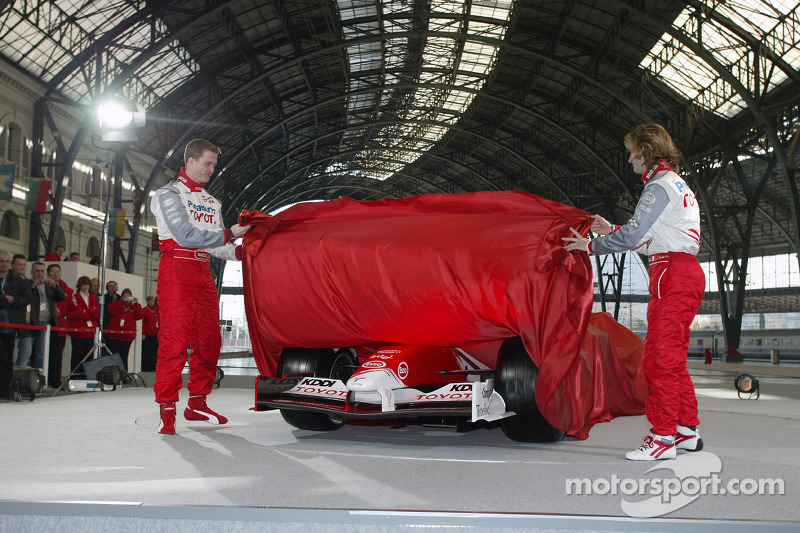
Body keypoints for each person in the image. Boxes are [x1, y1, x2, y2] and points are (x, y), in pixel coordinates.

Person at [563, 123, 705, 461]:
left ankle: (663, 437)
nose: (629, 160)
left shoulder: (658, 187)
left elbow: (632, 237)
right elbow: (646, 238)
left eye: (633, 152)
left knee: (658, 361)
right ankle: (686, 430)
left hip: (671, 274)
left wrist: (591, 245)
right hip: (678, 270)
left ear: (647, 151)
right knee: (673, 360)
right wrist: (611, 228)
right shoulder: (675, 184)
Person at [150, 138, 250, 434]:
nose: (211, 169)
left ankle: (197, 403)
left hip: (203, 271)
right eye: (207, 163)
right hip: (177, 268)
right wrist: (229, 232)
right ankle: (167, 409)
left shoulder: (211, 201)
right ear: (190, 161)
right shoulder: (167, 194)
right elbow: (185, 235)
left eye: (214, 165)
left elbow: (217, 247)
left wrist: (245, 251)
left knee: (209, 341)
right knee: (175, 342)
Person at [21, 262, 65, 369]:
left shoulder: (48, 285)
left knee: (42, 354)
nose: (40, 274)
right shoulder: (28, 283)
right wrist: (32, 286)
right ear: (32, 272)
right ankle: (25, 377)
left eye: (42, 271)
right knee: (27, 352)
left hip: (46, 323)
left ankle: (38, 378)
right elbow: (25, 298)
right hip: (32, 322)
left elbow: (61, 297)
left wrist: (55, 287)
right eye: (37, 271)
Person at [1, 250, 31, 399]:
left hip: (9, 325)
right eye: (2, 261)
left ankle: (5, 389)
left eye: (6, 261)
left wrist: (13, 300)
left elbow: (27, 299)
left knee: (7, 358)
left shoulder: (19, 281)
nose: (4, 264)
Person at [65, 276, 98, 379]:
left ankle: (86, 377)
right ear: (80, 286)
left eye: (87, 284)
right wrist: (89, 312)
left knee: (88, 356)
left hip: (90, 332)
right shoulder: (75, 297)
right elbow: (77, 313)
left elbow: (96, 313)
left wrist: (86, 312)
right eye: (84, 284)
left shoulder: (92, 297)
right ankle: (75, 376)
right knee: (77, 355)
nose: (86, 287)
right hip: (78, 332)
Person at [47, 263, 72, 388]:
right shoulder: (44, 287)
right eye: (52, 271)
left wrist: (65, 318)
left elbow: (70, 308)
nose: (55, 274)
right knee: (44, 354)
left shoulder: (67, 290)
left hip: (60, 327)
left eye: (57, 271)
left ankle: (55, 380)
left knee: (57, 355)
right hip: (46, 326)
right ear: (48, 274)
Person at [105, 288, 143, 371]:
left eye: (129, 296)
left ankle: (124, 374)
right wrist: (121, 301)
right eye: (125, 296)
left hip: (127, 337)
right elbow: (110, 309)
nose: (127, 298)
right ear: (122, 296)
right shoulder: (117, 304)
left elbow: (139, 315)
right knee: (115, 356)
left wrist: (136, 303)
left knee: (124, 356)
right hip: (115, 336)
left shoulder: (133, 307)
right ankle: (114, 375)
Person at [11, 254, 33, 366]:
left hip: (26, 324)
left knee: (26, 355)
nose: (22, 267)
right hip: (12, 323)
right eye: (19, 264)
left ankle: (19, 381)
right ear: (13, 265)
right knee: (12, 356)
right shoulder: (9, 281)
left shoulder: (28, 282)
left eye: (24, 265)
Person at [141, 296, 159, 372]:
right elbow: (143, 323)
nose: (152, 302)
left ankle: (152, 366)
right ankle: (145, 367)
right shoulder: (144, 310)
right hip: (147, 334)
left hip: (154, 334)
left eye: (153, 301)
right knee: (146, 352)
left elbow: (159, 322)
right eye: (150, 301)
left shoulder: (156, 311)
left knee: (153, 352)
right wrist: (143, 333)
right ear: (147, 301)